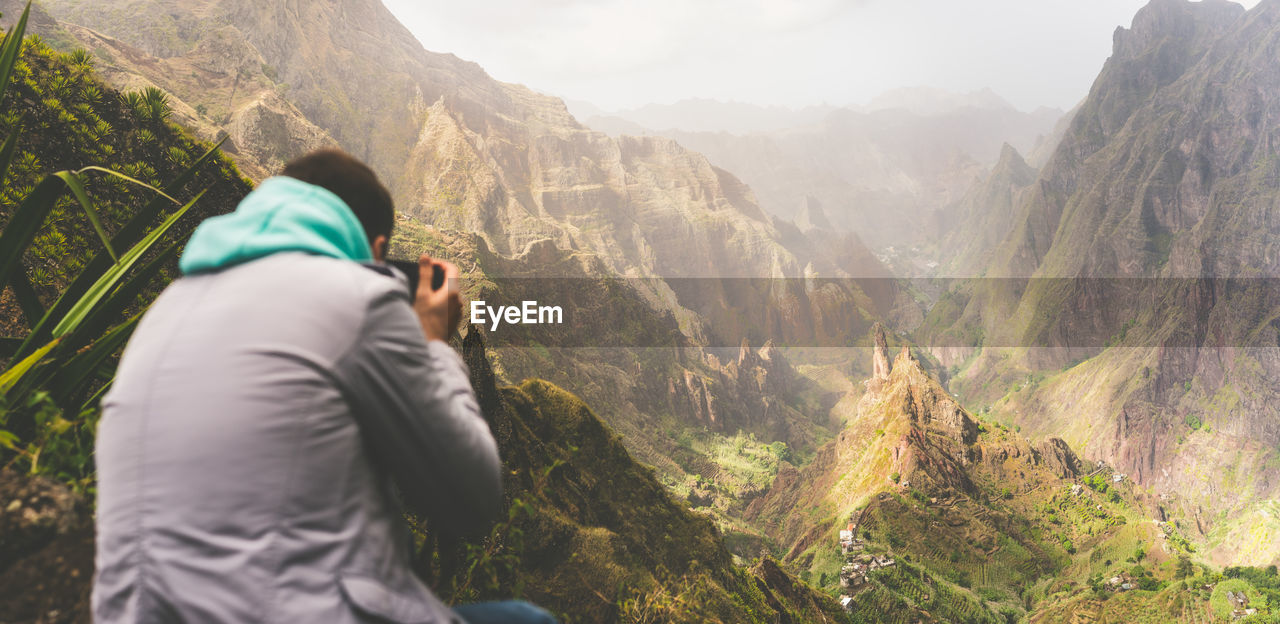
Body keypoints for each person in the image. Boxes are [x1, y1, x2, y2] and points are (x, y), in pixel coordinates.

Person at [92, 149, 556, 623]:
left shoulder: (168, 308)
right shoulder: (360, 300)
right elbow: (471, 502)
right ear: (375, 249)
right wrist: (433, 341)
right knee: (524, 619)